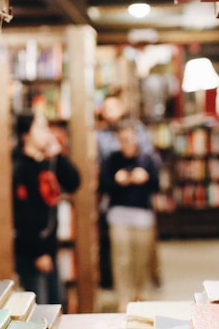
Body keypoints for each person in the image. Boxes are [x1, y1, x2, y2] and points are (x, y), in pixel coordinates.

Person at [12, 111, 81, 307]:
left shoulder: (47, 163)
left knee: (57, 304)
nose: (47, 133)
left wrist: (59, 154)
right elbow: (23, 214)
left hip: (50, 249)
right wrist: (38, 252)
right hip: (31, 252)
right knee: (40, 308)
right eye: (41, 128)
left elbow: (74, 182)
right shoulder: (18, 166)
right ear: (26, 134)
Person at [96, 93, 161, 292]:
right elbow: (103, 183)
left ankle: (139, 293)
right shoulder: (110, 156)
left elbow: (156, 183)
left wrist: (145, 177)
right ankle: (124, 297)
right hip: (119, 213)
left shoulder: (147, 158)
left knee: (140, 259)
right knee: (121, 258)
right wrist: (118, 180)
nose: (127, 143)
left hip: (142, 214)